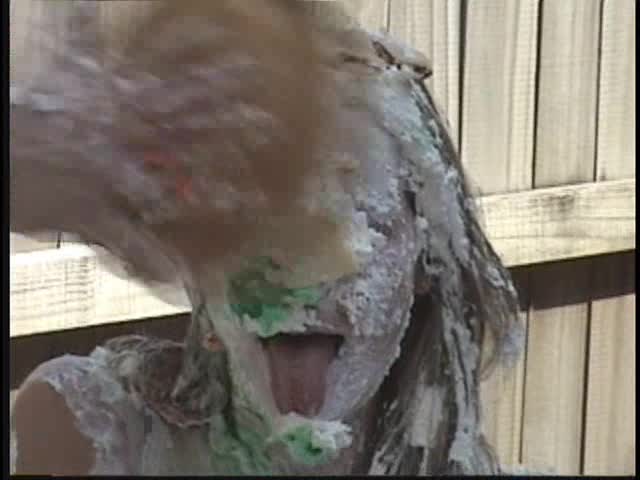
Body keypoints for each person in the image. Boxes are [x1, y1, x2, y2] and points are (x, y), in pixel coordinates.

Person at [10, 2, 522, 475]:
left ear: (425, 263)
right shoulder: (85, 433)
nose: (297, 276)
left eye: (359, 221)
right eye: (261, 223)